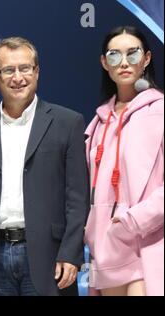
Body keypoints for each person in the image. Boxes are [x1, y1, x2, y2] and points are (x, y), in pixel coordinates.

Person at [0, 37, 90, 296]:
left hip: (49, 256)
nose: (18, 77)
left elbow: (77, 198)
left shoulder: (67, 123)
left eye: (25, 68)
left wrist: (71, 253)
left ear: (37, 72)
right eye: (8, 70)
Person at [84, 26, 164, 296]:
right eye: (115, 55)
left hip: (149, 242)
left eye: (133, 53)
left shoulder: (160, 111)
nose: (125, 62)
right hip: (107, 247)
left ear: (147, 58)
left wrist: (133, 220)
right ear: (105, 62)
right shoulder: (97, 122)